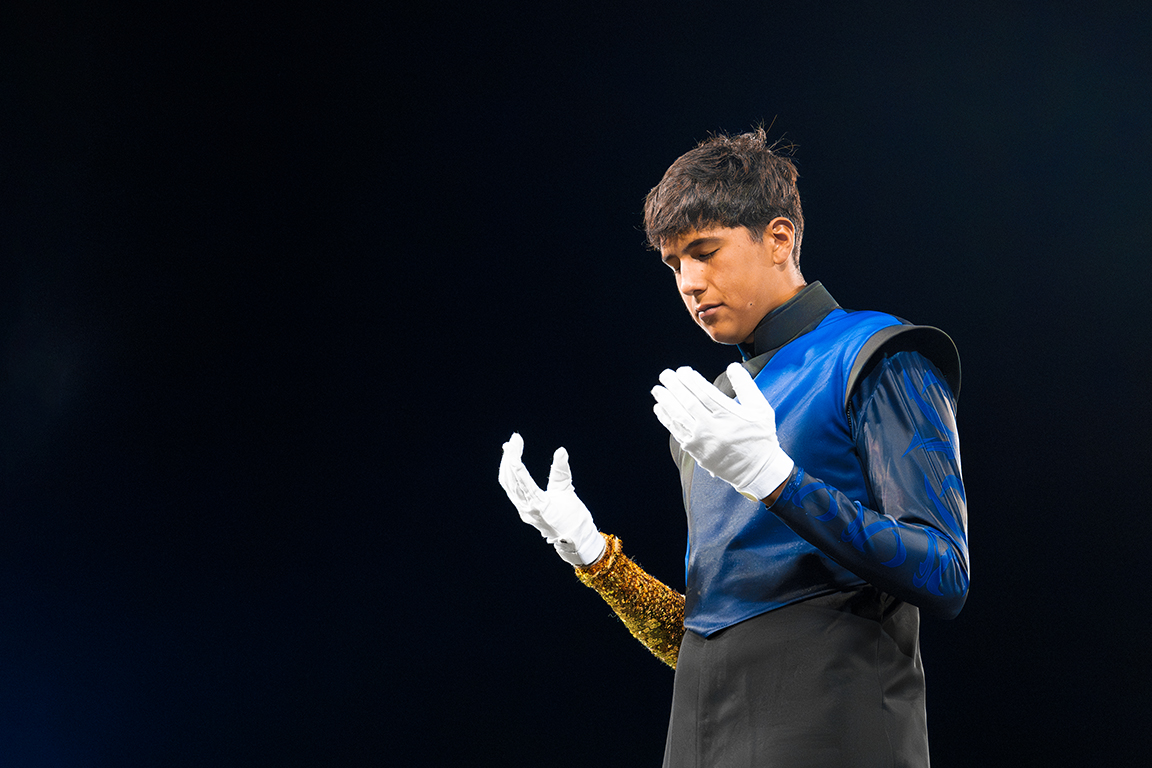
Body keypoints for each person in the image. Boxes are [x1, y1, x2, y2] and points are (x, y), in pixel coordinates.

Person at [498, 128, 969, 768]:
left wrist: (779, 480)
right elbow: (713, 635)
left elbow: (944, 572)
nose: (689, 282)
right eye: (674, 264)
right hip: (698, 736)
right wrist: (594, 558)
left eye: (705, 251)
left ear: (779, 239)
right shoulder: (711, 416)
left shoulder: (875, 355)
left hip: (836, 733)